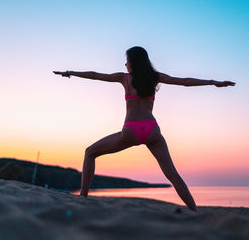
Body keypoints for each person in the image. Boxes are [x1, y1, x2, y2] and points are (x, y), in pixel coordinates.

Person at [53, 46, 235, 211]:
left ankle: (83, 197)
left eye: (127, 60)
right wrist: (213, 82)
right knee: (172, 174)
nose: (125, 63)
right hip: (152, 130)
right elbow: (185, 81)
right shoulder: (154, 78)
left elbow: (95, 75)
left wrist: (70, 72)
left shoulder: (124, 78)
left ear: (133, 62)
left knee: (90, 152)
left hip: (131, 130)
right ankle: (194, 211)